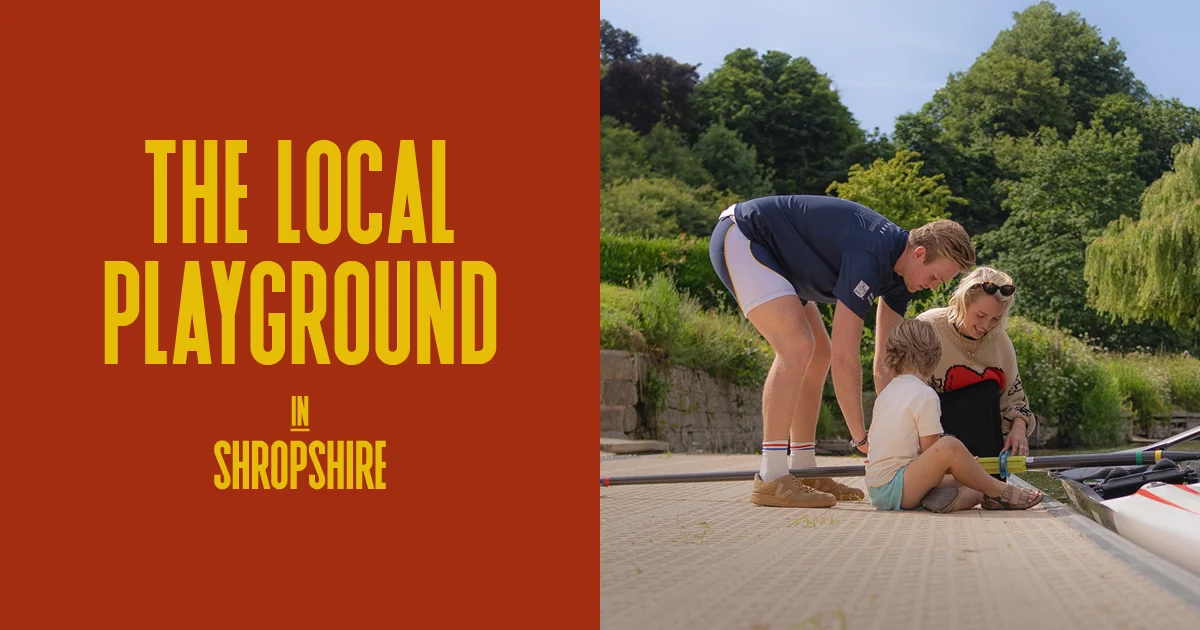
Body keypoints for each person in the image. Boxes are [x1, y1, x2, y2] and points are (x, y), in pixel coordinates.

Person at [708, 195, 976, 508]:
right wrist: (862, 439)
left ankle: (804, 470)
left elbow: (887, 363)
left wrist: (895, 431)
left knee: (816, 354)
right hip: (744, 236)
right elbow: (845, 360)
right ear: (919, 253)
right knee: (798, 347)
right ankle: (771, 478)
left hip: (782, 260)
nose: (933, 287)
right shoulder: (869, 254)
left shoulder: (902, 279)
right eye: (934, 278)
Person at [864, 318, 1044, 512]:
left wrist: (965, 468)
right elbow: (933, 452)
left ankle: (975, 495)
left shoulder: (887, 393)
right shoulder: (924, 395)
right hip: (899, 488)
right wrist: (960, 462)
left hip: (877, 489)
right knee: (950, 446)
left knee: (971, 482)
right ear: (933, 356)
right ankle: (1001, 490)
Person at [915, 266, 1036, 460]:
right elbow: (908, 395)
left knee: (986, 390)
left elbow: (1014, 397)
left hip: (987, 450)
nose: (985, 326)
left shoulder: (1000, 341)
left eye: (996, 318)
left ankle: (989, 484)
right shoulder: (927, 328)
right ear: (962, 303)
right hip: (935, 449)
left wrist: (1019, 428)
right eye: (980, 315)